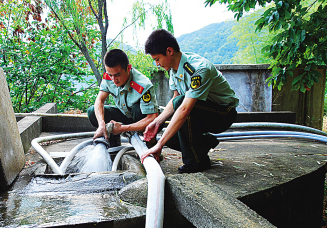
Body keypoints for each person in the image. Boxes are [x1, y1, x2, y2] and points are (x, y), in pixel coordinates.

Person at [140, 29, 239, 173]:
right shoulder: (173, 70)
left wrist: (159, 144)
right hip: (200, 113)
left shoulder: (199, 68)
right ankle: (205, 142)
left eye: (157, 59)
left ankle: (196, 162)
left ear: (169, 51)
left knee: (179, 110)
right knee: (171, 137)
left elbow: (184, 108)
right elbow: (175, 99)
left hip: (223, 114)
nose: (157, 64)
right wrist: (156, 123)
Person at [87, 49, 159, 147]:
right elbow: (99, 100)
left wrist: (123, 128)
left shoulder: (143, 84)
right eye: (110, 75)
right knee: (92, 111)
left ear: (128, 68)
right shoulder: (109, 77)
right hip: (124, 114)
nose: (114, 80)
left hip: (142, 119)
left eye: (117, 75)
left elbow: (152, 118)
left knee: (137, 109)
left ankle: (151, 144)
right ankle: (113, 142)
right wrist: (101, 124)